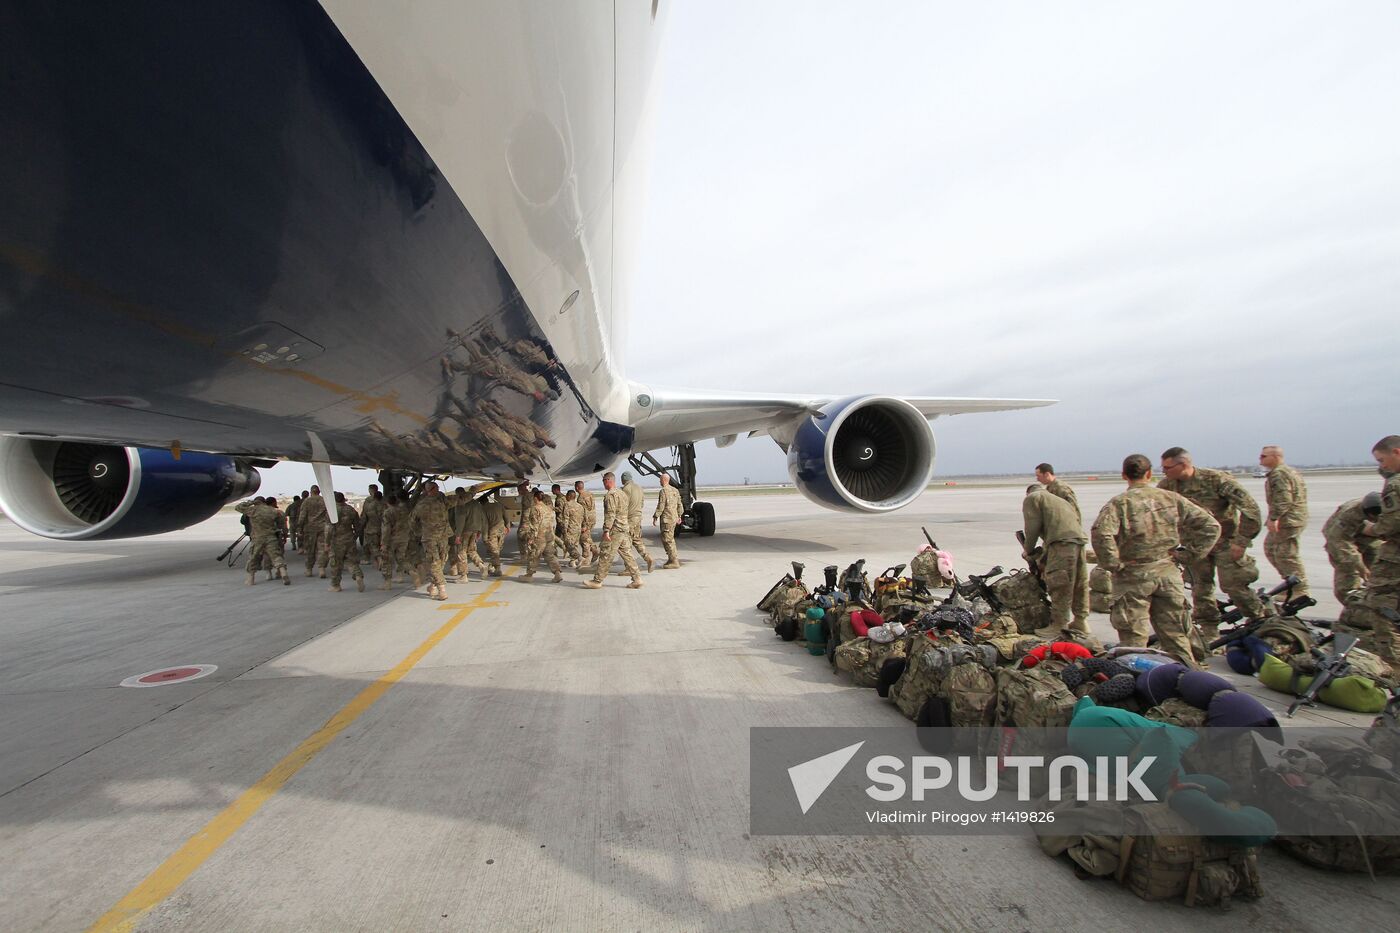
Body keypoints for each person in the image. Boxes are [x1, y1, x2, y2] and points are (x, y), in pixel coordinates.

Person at [1091, 454, 1220, 667]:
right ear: (1149, 474)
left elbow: (1101, 533)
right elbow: (1211, 526)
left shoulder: (1120, 503)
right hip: (1167, 573)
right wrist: (1189, 555)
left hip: (1134, 576)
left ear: (1124, 475)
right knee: (1177, 636)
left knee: (1134, 641)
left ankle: (1140, 687)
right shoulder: (1171, 498)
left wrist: (1113, 564)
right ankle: (1189, 679)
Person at [1157, 447, 1271, 640]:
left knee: (1234, 585)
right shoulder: (1167, 486)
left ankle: (1260, 620)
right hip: (1193, 547)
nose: (1164, 471)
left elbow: (1250, 509)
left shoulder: (1216, 480)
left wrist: (1241, 541)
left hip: (1225, 543)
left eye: (1167, 467)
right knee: (1200, 589)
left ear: (1183, 465)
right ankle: (1209, 632)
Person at [1021, 484, 1090, 639]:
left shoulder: (1033, 498)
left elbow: (1031, 527)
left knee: (1060, 583)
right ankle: (1081, 620)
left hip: (1062, 543)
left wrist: (1028, 549)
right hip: (1078, 540)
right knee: (1079, 583)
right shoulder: (1058, 500)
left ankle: (1059, 625)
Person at [1354, 435, 1400, 666]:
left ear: (1397, 453)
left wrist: (1373, 529)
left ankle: (1395, 675)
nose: (1382, 467)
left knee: (1384, 618)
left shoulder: (1395, 484)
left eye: (1382, 461)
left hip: (1394, 563)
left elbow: (1391, 525)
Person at [1258, 446, 1309, 597]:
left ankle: (1299, 588)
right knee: (1272, 550)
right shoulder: (1284, 472)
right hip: (1290, 518)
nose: (1260, 459)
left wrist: (1274, 518)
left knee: (1286, 555)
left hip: (1289, 520)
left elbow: (1284, 499)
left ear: (1275, 456)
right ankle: (1290, 583)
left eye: (1263, 456)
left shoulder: (1280, 474)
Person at [584, 472, 643, 589]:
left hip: (615, 530)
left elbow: (611, 514)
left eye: (604, 481)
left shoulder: (610, 495)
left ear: (608, 480)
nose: (603, 483)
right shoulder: (622, 493)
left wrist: (606, 530)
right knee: (627, 554)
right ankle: (637, 579)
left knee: (605, 554)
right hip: (624, 528)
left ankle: (597, 581)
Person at [1323, 493, 1382, 604]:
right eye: (1373, 518)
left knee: (1379, 574)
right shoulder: (1349, 514)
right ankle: (1354, 610)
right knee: (1347, 580)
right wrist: (1361, 568)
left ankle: (1377, 607)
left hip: (1372, 539)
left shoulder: (1391, 508)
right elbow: (1341, 544)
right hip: (1341, 540)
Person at [234, 497, 291, 586]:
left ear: (257, 501)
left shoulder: (253, 510)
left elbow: (238, 507)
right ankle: (283, 573)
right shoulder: (273, 511)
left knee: (253, 558)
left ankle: (250, 579)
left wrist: (251, 502)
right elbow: (282, 524)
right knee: (276, 556)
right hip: (270, 537)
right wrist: (284, 534)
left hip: (257, 538)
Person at [412, 481, 452, 600]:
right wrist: (471, 492)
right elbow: (459, 500)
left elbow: (412, 521)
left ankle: (433, 585)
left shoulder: (420, 505)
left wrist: (419, 533)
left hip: (429, 537)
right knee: (437, 561)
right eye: (437, 487)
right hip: (441, 537)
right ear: (433, 489)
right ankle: (442, 588)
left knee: (437, 562)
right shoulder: (443, 503)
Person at [326, 492, 365, 593]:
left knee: (336, 564)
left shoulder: (332, 511)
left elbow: (329, 529)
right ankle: (358, 576)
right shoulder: (351, 510)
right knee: (352, 561)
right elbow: (358, 526)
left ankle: (336, 585)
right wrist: (354, 537)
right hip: (349, 539)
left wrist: (327, 542)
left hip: (336, 541)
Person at [379, 495, 419, 589]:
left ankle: (387, 583)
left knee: (387, 560)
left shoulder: (388, 512)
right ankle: (412, 571)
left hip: (392, 539)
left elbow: (386, 529)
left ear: (387, 502)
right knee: (401, 558)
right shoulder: (404, 510)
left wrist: (383, 543)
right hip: (404, 538)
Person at [523, 489, 564, 582]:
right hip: (549, 535)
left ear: (535, 498)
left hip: (540, 536)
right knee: (550, 555)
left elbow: (535, 525)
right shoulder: (548, 508)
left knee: (534, 555)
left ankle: (529, 575)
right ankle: (557, 573)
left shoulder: (535, 508)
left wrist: (531, 537)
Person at [620, 471, 655, 573]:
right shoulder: (639, 488)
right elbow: (642, 503)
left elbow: (623, 505)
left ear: (624, 479)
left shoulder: (626, 489)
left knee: (626, 543)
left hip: (630, 518)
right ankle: (648, 558)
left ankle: (629, 568)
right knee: (636, 540)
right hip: (638, 517)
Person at [653, 473, 683, 569]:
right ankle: (671, 559)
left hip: (667, 519)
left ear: (664, 480)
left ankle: (674, 560)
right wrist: (679, 515)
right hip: (674, 518)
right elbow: (679, 504)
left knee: (667, 540)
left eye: (660, 480)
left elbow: (661, 505)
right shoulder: (675, 490)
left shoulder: (663, 491)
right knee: (670, 538)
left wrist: (655, 516)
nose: (659, 481)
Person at [299, 485, 330, 578]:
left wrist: (299, 527)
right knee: (322, 549)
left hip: (310, 528)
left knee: (310, 549)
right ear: (319, 491)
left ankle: (309, 569)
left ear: (311, 492)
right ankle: (321, 569)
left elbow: (302, 515)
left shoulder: (307, 501)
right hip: (322, 527)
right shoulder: (324, 500)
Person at [481, 489, 509, 576]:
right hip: (502, 530)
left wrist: (484, 537)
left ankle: (498, 569)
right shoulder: (498, 505)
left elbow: (485, 524)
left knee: (494, 551)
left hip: (492, 532)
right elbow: (506, 516)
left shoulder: (483, 509)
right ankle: (491, 566)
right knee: (497, 550)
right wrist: (507, 526)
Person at [574, 480, 597, 570]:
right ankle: (595, 550)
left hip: (586, 521)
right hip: (593, 519)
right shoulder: (590, 494)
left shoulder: (580, 498)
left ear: (576, 488)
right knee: (586, 538)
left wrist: (584, 525)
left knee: (584, 540)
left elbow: (584, 512)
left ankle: (586, 560)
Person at [360, 485, 384, 568]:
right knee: (382, 544)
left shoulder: (369, 502)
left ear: (370, 490)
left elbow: (365, 516)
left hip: (371, 527)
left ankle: (378, 558)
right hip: (383, 527)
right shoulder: (384, 501)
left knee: (372, 544)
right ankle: (379, 560)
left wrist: (361, 526)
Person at [561, 490, 585, 566]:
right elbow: (583, 518)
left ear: (569, 496)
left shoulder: (567, 505)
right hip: (578, 528)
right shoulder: (580, 506)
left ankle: (579, 557)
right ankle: (572, 562)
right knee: (574, 545)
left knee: (568, 545)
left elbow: (566, 519)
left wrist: (564, 530)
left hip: (570, 528)